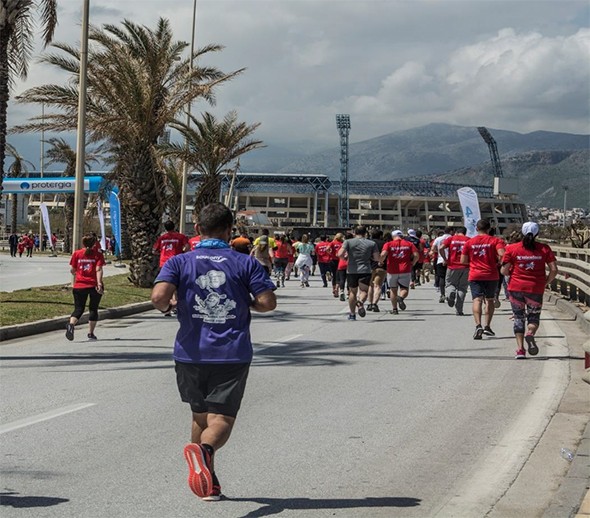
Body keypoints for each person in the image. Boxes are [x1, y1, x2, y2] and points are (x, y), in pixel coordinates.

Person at [150, 202, 276, 501]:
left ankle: (208, 482)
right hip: (231, 353)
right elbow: (268, 302)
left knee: (200, 415)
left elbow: (158, 297)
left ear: (197, 229)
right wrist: (248, 304)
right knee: (221, 419)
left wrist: (170, 306)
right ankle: (205, 451)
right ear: (230, 230)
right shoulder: (244, 263)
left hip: (189, 353)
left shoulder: (179, 262)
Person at [501, 222, 558, 359]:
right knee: (533, 317)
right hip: (535, 288)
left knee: (518, 317)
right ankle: (530, 333)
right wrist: (545, 282)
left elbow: (504, 270)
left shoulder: (512, 248)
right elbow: (554, 270)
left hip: (516, 287)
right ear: (537, 233)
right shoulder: (544, 249)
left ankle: (520, 350)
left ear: (522, 232)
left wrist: (513, 275)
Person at [461, 219, 505, 339]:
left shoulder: (469, 242)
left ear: (476, 229)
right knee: (489, 300)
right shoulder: (496, 240)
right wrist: (498, 263)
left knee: (477, 299)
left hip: (475, 274)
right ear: (489, 229)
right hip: (491, 274)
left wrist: (473, 263)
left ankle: (478, 325)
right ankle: (487, 326)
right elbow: (502, 254)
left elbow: (463, 260)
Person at [66, 234, 105, 341]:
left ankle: (71, 325)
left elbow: (73, 270)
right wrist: (99, 284)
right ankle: (91, 333)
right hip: (93, 285)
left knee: (78, 309)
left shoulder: (77, 253)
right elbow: (98, 269)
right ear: (94, 243)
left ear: (83, 243)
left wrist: (77, 272)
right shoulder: (98, 254)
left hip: (79, 285)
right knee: (93, 308)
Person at [338, 225, 380, 320]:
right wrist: (371, 258)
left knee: (352, 292)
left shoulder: (348, 242)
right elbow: (377, 258)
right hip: (365, 270)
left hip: (351, 270)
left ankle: (352, 314)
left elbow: (339, 254)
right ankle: (360, 302)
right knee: (364, 291)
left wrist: (345, 258)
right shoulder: (371, 243)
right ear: (365, 233)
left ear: (354, 232)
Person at [380, 230, 419, 314]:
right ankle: (400, 298)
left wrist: (381, 261)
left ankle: (394, 309)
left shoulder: (388, 244)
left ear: (393, 236)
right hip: (405, 269)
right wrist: (413, 263)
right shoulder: (409, 244)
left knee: (393, 290)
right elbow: (416, 255)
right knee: (404, 288)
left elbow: (383, 254)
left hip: (392, 270)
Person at [439, 226, 469, 316]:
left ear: (456, 232)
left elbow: (440, 248)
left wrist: (445, 259)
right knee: (462, 288)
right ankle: (459, 310)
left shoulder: (451, 239)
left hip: (452, 266)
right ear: (465, 232)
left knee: (450, 284)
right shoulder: (469, 240)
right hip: (466, 266)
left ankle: (451, 293)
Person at [431, 227, 454, 303]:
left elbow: (433, 249)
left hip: (440, 260)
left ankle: (442, 294)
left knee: (442, 278)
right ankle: (450, 293)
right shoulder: (453, 238)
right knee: (451, 278)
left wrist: (438, 252)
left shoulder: (438, 239)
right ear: (451, 231)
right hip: (451, 261)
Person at [367, 229, 387, 312]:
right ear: (381, 236)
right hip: (381, 266)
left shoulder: (368, 243)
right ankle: (375, 304)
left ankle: (369, 304)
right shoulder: (384, 243)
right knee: (378, 286)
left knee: (370, 285)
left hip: (369, 266)